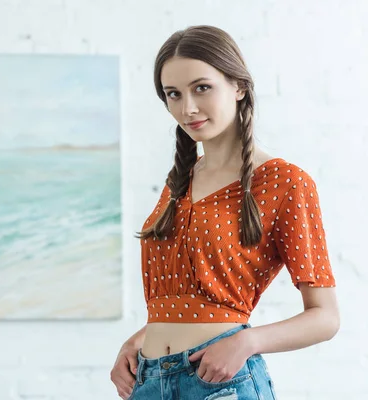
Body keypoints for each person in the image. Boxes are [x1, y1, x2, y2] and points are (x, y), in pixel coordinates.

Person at [110, 25, 340, 400]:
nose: (188, 108)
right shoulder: (179, 182)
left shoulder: (284, 182)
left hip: (221, 384)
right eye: (174, 94)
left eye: (202, 88)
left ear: (238, 86)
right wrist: (137, 341)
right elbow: (184, 300)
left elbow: (326, 318)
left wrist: (246, 343)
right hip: (149, 382)